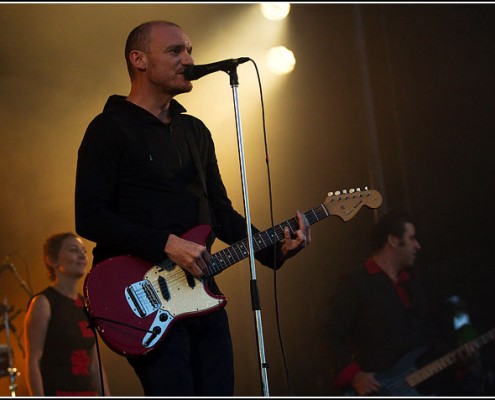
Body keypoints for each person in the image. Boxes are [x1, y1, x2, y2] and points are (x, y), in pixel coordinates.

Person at [74, 20, 311, 396]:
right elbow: (89, 217)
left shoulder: (195, 131)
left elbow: (219, 212)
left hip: (201, 293)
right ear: (139, 59)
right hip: (141, 296)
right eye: (175, 51)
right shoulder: (108, 129)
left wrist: (273, 248)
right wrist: (165, 244)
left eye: (189, 49)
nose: (188, 59)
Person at [323, 212, 478, 396]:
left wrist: (458, 358)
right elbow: (330, 334)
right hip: (380, 388)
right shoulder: (356, 284)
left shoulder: (411, 286)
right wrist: (354, 376)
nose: (417, 246)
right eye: (412, 238)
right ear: (394, 240)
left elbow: (427, 340)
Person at [23, 232, 110, 396]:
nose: (82, 255)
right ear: (51, 259)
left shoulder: (87, 304)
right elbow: (33, 361)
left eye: (83, 251)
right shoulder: (43, 302)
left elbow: (94, 365)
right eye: (73, 250)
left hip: (88, 392)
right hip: (58, 391)